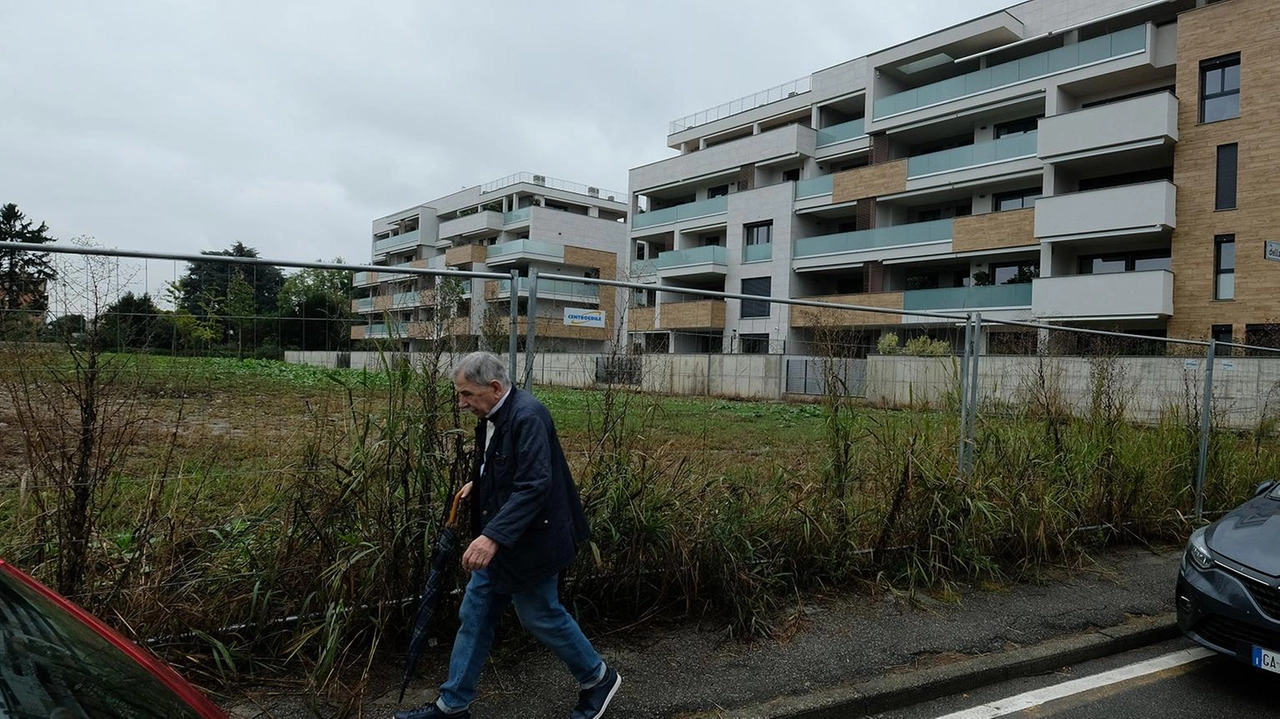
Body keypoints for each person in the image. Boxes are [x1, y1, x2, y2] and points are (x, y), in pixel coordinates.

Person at [395, 351, 621, 719]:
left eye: (467, 394)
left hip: (533, 540)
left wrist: (491, 538)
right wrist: (480, 483)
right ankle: (452, 706)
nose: (462, 403)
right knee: (476, 613)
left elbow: (534, 485)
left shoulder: (528, 416)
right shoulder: (493, 414)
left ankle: (598, 678)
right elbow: (506, 465)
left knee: (540, 616)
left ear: (495, 387)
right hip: (502, 534)